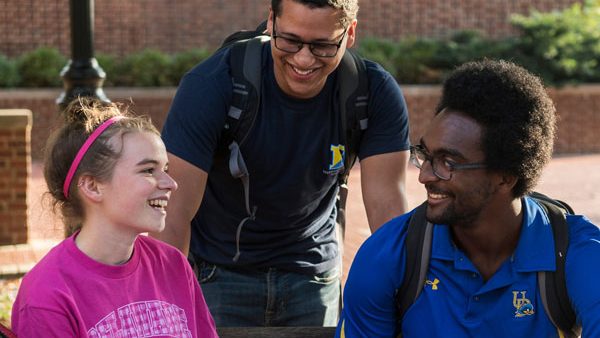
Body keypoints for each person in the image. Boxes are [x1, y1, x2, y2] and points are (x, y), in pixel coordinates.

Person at [154, 0, 410, 327]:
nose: (303, 59)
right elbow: (172, 211)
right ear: (271, 21)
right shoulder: (214, 83)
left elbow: (389, 212)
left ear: (350, 34)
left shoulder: (372, 92)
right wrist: (170, 305)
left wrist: (405, 301)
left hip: (313, 275)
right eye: (290, 40)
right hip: (219, 274)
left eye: (323, 46)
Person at [336, 60, 600, 337]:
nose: (424, 175)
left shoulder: (576, 254)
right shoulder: (389, 255)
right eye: (425, 155)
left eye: (448, 162)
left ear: (506, 175)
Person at [11, 98, 218, 337]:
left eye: (166, 169)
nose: (170, 184)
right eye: (148, 170)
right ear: (92, 186)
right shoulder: (47, 293)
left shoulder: (173, 265)